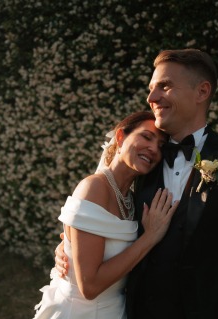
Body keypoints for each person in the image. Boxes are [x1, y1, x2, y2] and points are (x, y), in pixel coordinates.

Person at [55, 49, 218, 318]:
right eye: (151, 88)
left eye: (164, 86)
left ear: (202, 92)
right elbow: (100, 226)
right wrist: (66, 249)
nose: (151, 98)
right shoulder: (141, 166)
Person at [33, 111, 180, 319]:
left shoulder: (131, 199)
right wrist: (150, 237)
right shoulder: (94, 188)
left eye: (161, 145)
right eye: (146, 137)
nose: (154, 149)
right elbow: (90, 287)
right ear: (120, 137)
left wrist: (66, 246)